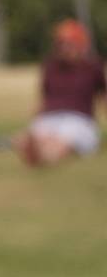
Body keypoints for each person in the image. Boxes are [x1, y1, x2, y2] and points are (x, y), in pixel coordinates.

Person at [14, 19, 105, 167]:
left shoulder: (93, 67)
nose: (64, 48)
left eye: (69, 44)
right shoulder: (50, 67)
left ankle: (44, 156)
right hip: (50, 116)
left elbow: (103, 97)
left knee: (63, 138)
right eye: (60, 43)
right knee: (38, 133)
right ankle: (35, 147)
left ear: (81, 45)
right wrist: (36, 117)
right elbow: (44, 98)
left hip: (79, 119)